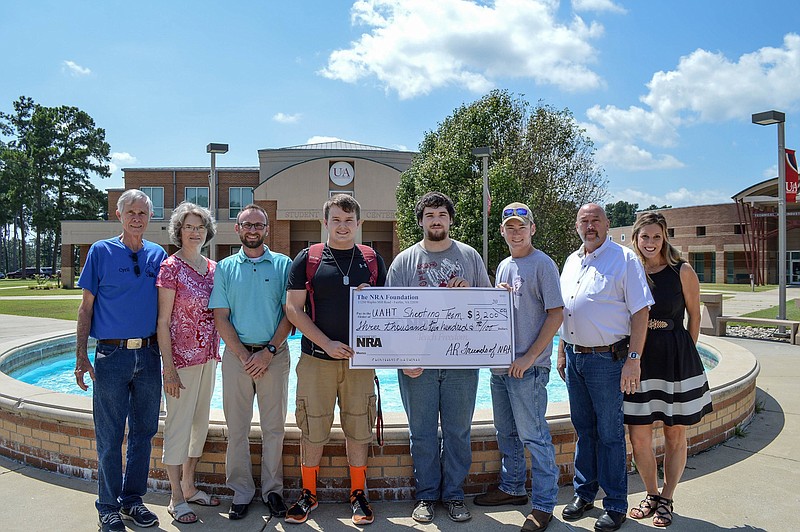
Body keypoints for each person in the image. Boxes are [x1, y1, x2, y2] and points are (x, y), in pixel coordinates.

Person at [386, 191, 491, 524]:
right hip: (418, 365)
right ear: (421, 221)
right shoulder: (404, 262)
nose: (436, 220)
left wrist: (471, 294)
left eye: (442, 215)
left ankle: (455, 495)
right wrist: (403, 358)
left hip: (461, 363)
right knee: (422, 431)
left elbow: (488, 309)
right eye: (430, 215)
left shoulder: (470, 257)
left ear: (450, 219)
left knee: (459, 431)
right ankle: (427, 495)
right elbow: (389, 316)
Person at [284, 194, 387, 525]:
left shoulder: (372, 260)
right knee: (312, 426)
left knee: (359, 426)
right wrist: (326, 343)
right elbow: (293, 309)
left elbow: (389, 310)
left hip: (360, 361)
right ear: (324, 222)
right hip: (317, 359)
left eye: (349, 220)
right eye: (336, 220)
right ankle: (308, 493)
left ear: (359, 224)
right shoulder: (308, 259)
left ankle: (358, 494)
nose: (343, 226)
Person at [74, 189, 168, 532]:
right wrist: (81, 354)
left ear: (150, 217)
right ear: (119, 215)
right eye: (132, 212)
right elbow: (86, 307)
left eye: (143, 213)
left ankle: (132, 501)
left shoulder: (158, 255)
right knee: (111, 436)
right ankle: (108, 506)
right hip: (111, 355)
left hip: (148, 353)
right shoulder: (100, 252)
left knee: (144, 432)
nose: (138, 218)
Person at [557, 203, 653, 532]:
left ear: (607, 224)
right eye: (584, 221)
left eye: (595, 220)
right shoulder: (571, 262)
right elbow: (566, 311)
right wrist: (561, 351)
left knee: (610, 435)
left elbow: (641, 313)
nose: (590, 226)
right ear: (576, 226)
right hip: (575, 357)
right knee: (584, 430)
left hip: (608, 361)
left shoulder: (624, 259)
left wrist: (634, 360)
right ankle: (584, 493)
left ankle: (615, 504)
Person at [473, 203, 562, 532]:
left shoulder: (543, 265)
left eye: (521, 227)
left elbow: (556, 315)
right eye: (509, 227)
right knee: (506, 433)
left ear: (532, 229)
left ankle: (543, 503)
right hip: (501, 367)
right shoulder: (504, 266)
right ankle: (512, 488)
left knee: (534, 436)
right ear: (501, 231)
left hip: (528, 368)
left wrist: (529, 358)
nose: (515, 232)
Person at [623, 212, 713, 528]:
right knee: (638, 436)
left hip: (676, 357)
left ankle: (668, 496)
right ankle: (650, 494)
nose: (650, 243)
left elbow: (695, 316)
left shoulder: (682, 271)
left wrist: (685, 352)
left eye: (656, 237)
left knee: (675, 433)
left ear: (665, 238)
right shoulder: (629, 271)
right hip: (639, 359)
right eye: (644, 237)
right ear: (635, 238)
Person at [208, 203, 293, 521]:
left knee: (274, 428)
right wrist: (245, 356)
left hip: (274, 355)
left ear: (267, 229)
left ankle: (273, 491)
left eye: (259, 225)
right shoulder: (225, 268)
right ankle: (241, 492)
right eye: (247, 224)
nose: (253, 230)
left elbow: (290, 315)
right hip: (236, 357)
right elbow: (220, 316)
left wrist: (268, 352)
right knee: (238, 429)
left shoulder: (284, 265)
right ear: (238, 229)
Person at [156, 202, 221, 524]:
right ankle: (175, 497)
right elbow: (162, 322)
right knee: (178, 427)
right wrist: (168, 367)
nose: (194, 232)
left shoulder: (212, 268)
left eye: (199, 227)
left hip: (209, 359)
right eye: (188, 227)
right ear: (178, 231)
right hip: (180, 363)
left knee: (200, 424)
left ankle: (190, 485)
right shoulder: (170, 268)